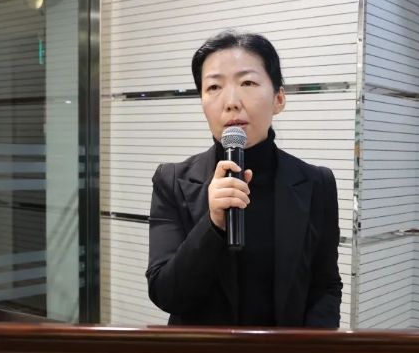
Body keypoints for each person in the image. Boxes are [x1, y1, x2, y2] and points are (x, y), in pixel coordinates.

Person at [146, 30, 343, 327]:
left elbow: (325, 286)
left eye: (247, 82)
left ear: (278, 98)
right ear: (202, 102)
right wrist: (213, 225)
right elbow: (166, 294)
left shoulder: (317, 183)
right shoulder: (171, 181)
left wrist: (310, 350)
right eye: (214, 86)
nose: (231, 102)